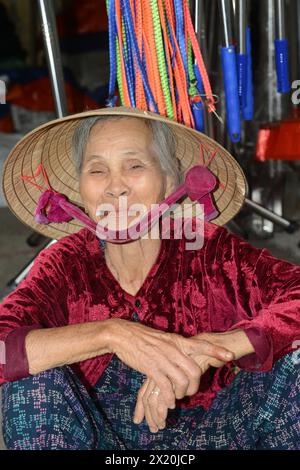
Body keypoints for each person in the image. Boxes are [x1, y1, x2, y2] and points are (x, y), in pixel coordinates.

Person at [0, 107, 299, 450]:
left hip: (214, 433)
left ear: (170, 180)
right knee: (30, 376)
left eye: (135, 165)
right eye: (97, 170)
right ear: (80, 188)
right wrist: (111, 334)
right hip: (96, 439)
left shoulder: (206, 248)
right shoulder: (65, 263)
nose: (115, 187)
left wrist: (213, 349)